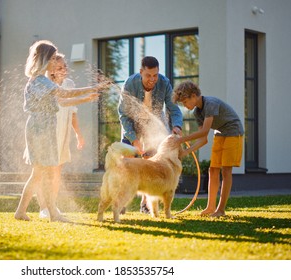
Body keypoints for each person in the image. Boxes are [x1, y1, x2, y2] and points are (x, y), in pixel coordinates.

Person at [14, 40, 107, 222]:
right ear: (44, 59)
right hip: (40, 130)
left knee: (39, 173)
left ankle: (22, 212)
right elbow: (64, 94)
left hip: (43, 129)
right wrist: (92, 88)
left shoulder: (40, 81)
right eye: (53, 58)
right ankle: (52, 214)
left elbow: (61, 102)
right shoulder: (40, 80)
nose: (55, 62)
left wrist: (86, 98)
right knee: (45, 172)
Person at [36, 53, 99, 219]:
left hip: (62, 135)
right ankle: (43, 207)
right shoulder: (46, 84)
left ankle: (52, 205)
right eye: (60, 67)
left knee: (57, 171)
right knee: (45, 172)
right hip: (47, 133)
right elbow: (61, 102)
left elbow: (72, 113)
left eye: (65, 67)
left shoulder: (69, 84)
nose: (64, 70)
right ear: (52, 70)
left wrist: (79, 135)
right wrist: (86, 97)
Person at [118, 56, 183, 213]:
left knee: (151, 165)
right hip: (131, 125)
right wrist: (133, 140)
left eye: (155, 75)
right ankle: (120, 203)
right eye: (148, 75)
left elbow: (173, 108)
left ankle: (146, 207)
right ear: (141, 72)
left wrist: (177, 125)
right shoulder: (130, 83)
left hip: (153, 126)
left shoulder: (164, 82)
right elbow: (123, 114)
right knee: (126, 163)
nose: (152, 79)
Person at [173, 80, 244, 217]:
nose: (185, 105)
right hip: (220, 132)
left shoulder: (210, 104)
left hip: (233, 131)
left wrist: (181, 140)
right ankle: (210, 208)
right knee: (213, 170)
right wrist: (186, 152)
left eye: (185, 101)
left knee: (226, 170)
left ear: (194, 96)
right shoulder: (197, 113)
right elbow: (203, 140)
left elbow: (204, 132)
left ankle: (221, 210)